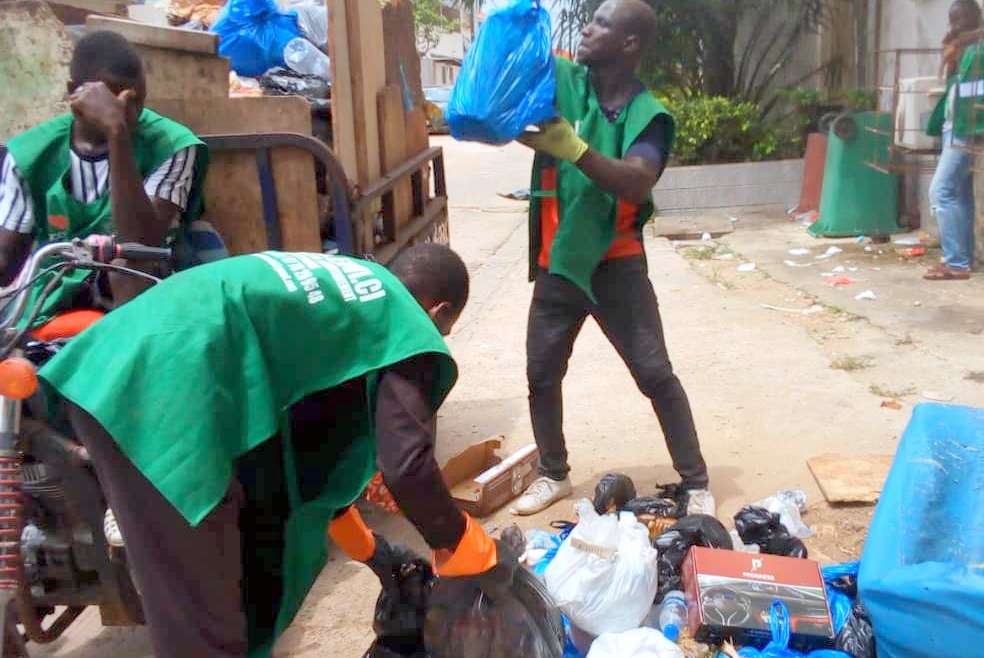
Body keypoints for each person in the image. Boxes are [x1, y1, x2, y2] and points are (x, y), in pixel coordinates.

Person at [38, 245, 506, 658]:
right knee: (204, 624)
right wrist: (460, 541)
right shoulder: (403, 318)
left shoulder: (346, 287)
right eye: (442, 331)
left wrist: (368, 546)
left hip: (112, 363)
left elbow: (308, 442)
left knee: (238, 573)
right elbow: (407, 466)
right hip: (162, 393)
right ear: (439, 312)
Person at [510, 0, 713, 517]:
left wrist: (575, 150)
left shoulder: (650, 116)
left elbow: (638, 179)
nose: (587, 28)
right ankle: (553, 472)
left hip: (616, 264)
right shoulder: (567, 83)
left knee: (654, 374)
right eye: (590, 18)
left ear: (630, 44)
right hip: (560, 260)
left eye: (602, 23)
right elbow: (512, 71)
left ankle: (696, 481)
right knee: (541, 372)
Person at [0, 30, 216, 324]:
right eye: (116, 100)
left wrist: (117, 133)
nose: (129, 112)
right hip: (54, 291)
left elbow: (141, 244)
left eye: (136, 101)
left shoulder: (173, 146)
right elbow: (7, 265)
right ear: (74, 91)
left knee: (125, 265)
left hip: (141, 289)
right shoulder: (30, 154)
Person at [924, 0, 984, 281]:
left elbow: (978, 92)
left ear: (972, 18)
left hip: (966, 128)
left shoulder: (981, 48)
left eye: (958, 19)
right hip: (956, 126)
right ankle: (963, 259)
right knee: (960, 193)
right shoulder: (969, 48)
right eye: (951, 19)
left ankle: (956, 262)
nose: (954, 25)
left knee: (940, 191)